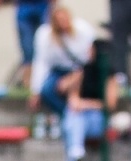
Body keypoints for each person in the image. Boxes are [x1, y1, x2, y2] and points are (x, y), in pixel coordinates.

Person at [56, 36, 119, 161]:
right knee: (73, 117)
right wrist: (74, 98)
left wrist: (85, 104)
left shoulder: (109, 75)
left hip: (97, 118)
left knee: (74, 121)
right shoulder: (84, 70)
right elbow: (64, 89)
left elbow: (109, 104)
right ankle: (75, 154)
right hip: (79, 116)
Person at [30, 5, 96, 134]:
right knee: (47, 90)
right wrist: (35, 91)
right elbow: (42, 63)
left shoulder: (83, 30)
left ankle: (78, 121)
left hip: (81, 70)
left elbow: (90, 57)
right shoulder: (45, 35)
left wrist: (76, 77)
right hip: (58, 71)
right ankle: (67, 119)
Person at [0, 0, 54, 91]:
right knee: (27, 49)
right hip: (24, 5)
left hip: (43, 5)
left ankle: (47, 83)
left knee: (47, 44)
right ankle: (28, 84)